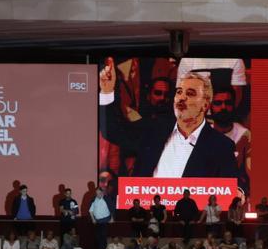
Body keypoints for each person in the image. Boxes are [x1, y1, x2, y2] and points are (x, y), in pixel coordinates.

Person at [97, 57, 242, 189]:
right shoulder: (153, 130)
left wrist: (239, 193)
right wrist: (106, 92)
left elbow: (231, 190)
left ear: (205, 104)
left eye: (190, 93)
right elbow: (113, 131)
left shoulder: (221, 146)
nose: (182, 98)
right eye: (179, 92)